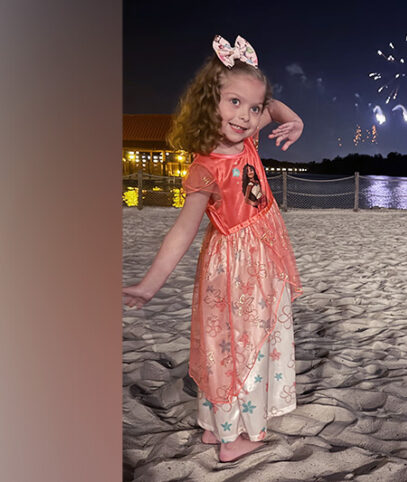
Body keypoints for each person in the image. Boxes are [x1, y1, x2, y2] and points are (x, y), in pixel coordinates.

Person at [123, 34, 303, 463]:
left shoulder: (249, 138)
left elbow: (276, 107)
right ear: (210, 102)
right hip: (235, 268)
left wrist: (293, 119)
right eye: (234, 102)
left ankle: (217, 425)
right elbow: (182, 232)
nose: (246, 116)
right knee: (236, 345)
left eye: (253, 107)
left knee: (254, 340)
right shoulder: (206, 167)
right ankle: (237, 435)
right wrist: (149, 285)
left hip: (266, 255)